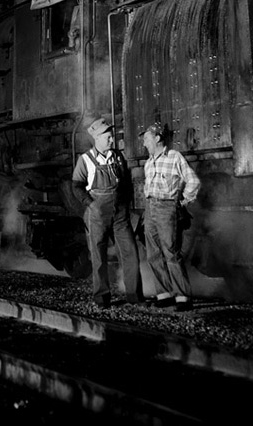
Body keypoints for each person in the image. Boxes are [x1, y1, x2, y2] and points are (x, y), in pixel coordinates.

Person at [71, 117, 143, 308]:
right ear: (97, 138)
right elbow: (76, 187)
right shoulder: (85, 160)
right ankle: (102, 297)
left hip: (119, 214)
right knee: (99, 257)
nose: (112, 140)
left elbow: (126, 183)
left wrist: (126, 205)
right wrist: (90, 204)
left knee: (130, 253)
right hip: (97, 215)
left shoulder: (118, 157)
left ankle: (134, 295)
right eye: (109, 137)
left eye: (112, 137)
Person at [140, 122, 201, 311]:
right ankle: (164, 294)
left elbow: (193, 181)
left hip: (167, 208)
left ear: (158, 138)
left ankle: (183, 296)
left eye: (147, 139)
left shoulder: (174, 157)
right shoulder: (149, 162)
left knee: (171, 252)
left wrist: (182, 202)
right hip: (150, 208)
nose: (144, 144)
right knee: (153, 253)